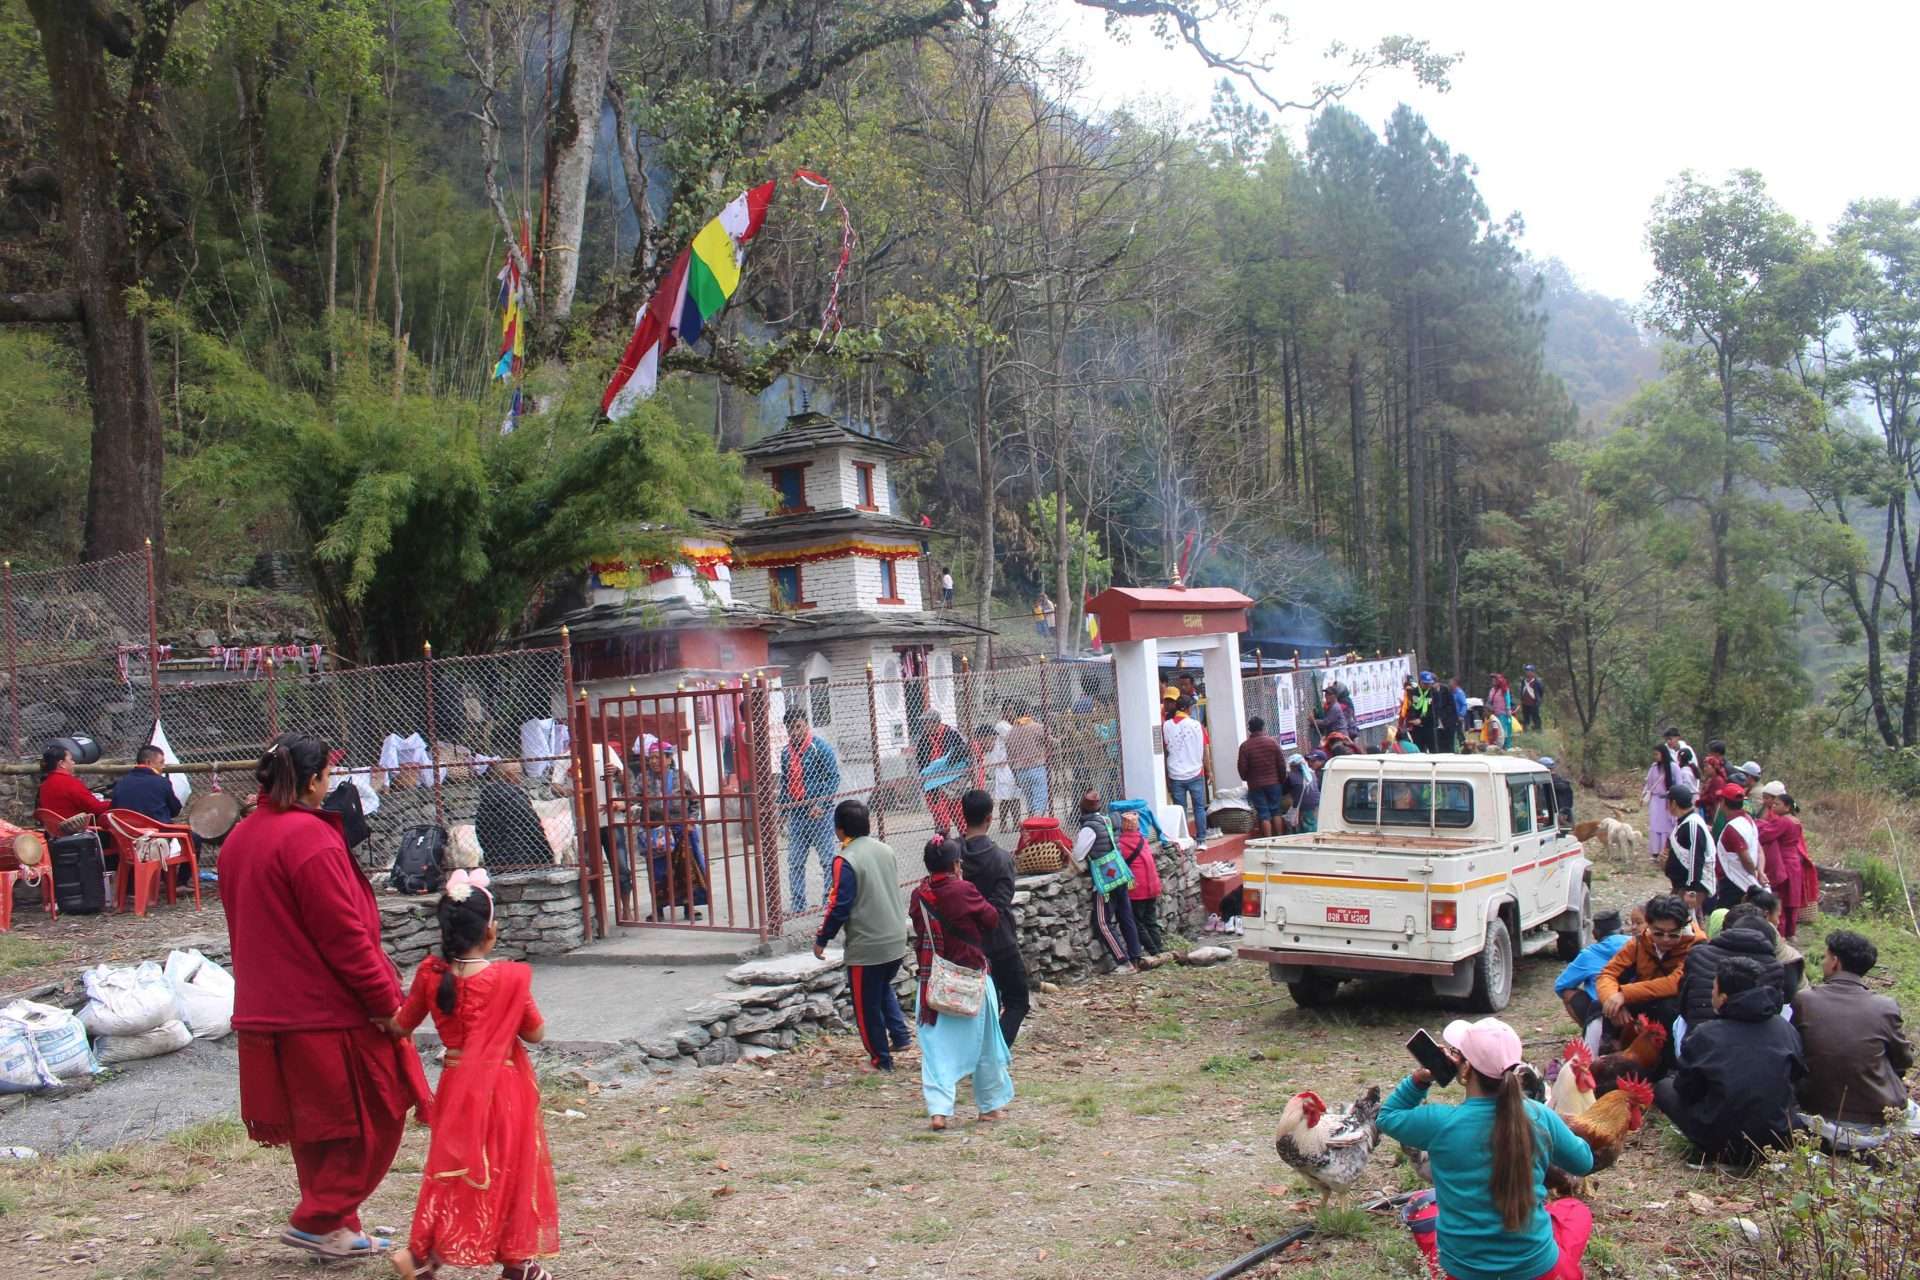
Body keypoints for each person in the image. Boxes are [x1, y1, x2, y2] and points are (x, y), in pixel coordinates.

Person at [222, 734, 431, 1261]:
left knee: (319, 1129)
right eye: (328, 776)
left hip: (268, 1006)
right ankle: (316, 1219)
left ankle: (337, 1229)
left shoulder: (241, 837)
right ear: (314, 780)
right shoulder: (308, 839)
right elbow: (344, 934)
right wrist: (386, 1002)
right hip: (325, 1007)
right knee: (378, 1112)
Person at [390, 869, 558, 1280]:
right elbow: (535, 1034)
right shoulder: (508, 980)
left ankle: (423, 1255)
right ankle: (516, 1262)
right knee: (507, 1166)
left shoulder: (430, 975)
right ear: (490, 931)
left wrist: (383, 1018)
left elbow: (401, 1025)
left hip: (455, 1086)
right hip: (503, 1088)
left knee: (453, 1168)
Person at [1379, 1017, 1595, 1280]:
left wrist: (1421, 1078)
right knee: (1574, 1211)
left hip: (1462, 1271)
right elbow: (1584, 1162)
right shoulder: (1540, 1116)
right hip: (1536, 1269)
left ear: (1466, 1068)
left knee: (1424, 1207)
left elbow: (1387, 1116)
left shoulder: (1441, 1123)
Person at [1654, 956, 1804, 1164]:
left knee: (1664, 1087)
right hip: (1777, 1138)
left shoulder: (1706, 1034)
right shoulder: (1784, 1028)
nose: (1711, 994)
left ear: (1723, 997)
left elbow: (1686, 1088)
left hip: (1720, 1142)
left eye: (1713, 989)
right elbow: (1796, 1077)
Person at [909, 837, 1014, 1131]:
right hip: (971, 980)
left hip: (934, 982)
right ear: (956, 864)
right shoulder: (964, 890)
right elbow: (991, 919)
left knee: (935, 1050)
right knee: (986, 1044)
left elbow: (919, 927)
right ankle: (990, 1106)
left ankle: (939, 1111)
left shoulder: (919, 895)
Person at [813, 799, 912, 1072]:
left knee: (866, 1008)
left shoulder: (845, 859)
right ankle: (901, 1036)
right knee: (881, 987)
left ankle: (881, 1060)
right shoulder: (886, 849)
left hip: (868, 946)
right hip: (896, 938)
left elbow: (839, 905)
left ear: (839, 830)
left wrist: (822, 939)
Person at [1792, 930, 1916, 1140]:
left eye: (1825, 957)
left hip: (1815, 1112)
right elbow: (1903, 1060)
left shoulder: (1804, 1000)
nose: (1823, 962)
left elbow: (1795, 1051)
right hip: (1875, 1119)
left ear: (1835, 962)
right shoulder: (1885, 1007)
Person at [958, 788, 1030, 1048]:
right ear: (990, 817)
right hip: (999, 941)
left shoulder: (952, 854)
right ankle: (997, 1050)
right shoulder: (1001, 858)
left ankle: (984, 1050)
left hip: (963, 942)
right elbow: (1000, 903)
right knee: (1017, 1000)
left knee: (982, 1004)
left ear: (963, 815)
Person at [1674, 903, 1790, 1051]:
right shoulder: (1775, 966)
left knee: (1679, 1022)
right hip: (1753, 1048)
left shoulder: (1698, 954)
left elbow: (1683, 1003)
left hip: (1697, 1044)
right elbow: (1773, 1011)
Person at [1595, 893, 1700, 1046]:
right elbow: (1608, 973)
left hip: (1677, 1008)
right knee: (1600, 1005)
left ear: (1683, 927)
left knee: (1668, 1008)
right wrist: (1612, 999)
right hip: (1643, 999)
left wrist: (1624, 994)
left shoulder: (1696, 946)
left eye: (1673, 935)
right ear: (1648, 926)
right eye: (1658, 933)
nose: (1665, 939)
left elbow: (1675, 982)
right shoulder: (1639, 942)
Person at [1069, 790, 1142, 973]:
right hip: (1120, 873)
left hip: (1105, 879)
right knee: (1126, 916)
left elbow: (1078, 855)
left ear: (1082, 809)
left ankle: (1124, 961)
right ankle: (1136, 956)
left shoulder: (1089, 828)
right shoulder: (1107, 820)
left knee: (1102, 922)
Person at [779, 709, 842, 912]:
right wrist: (782, 811)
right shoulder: (786, 753)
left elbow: (833, 778)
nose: (794, 732)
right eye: (790, 728)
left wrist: (820, 804)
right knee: (795, 861)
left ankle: (828, 902)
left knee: (827, 860)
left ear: (806, 725)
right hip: (796, 814)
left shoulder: (820, 748)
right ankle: (798, 904)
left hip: (819, 814)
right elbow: (785, 782)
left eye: (798, 727)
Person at [1755, 783, 1817, 941]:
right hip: (1794, 862)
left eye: (1777, 804)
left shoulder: (1783, 821)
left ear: (1787, 807)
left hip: (1783, 863)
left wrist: (1758, 825)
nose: (1773, 807)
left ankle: (1781, 932)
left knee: (1780, 897)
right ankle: (1791, 932)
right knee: (1792, 898)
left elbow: (1765, 835)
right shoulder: (1795, 821)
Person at [474, 762, 557, 870]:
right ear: (509, 775)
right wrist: (547, 854)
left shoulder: (485, 801)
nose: (522, 777)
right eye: (519, 773)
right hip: (526, 860)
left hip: (495, 862)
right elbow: (533, 827)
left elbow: (481, 832)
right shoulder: (516, 798)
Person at [1117, 810, 1166, 959]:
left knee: (1137, 922)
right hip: (1152, 885)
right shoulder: (1142, 840)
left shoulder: (1121, 844)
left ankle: (1154, 952)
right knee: (1150, 920)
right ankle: (1160, 949)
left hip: (1137, 888)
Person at [1663, 785, 1717, 917]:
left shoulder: (1692, 825)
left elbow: (1696, 859)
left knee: (1680, 920)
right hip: (1682, 884)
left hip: (1690, 886)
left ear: (1673, 803)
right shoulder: (1684, 822)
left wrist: (1691, 891)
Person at [913, 711, 970, 836]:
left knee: (960, 816)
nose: (924, 725)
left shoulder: (952, 733)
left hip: (953, 781)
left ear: (936, 723)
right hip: (934, 784)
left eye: (926, 722)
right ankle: (944, 843)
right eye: (923, 723)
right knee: (941, 820)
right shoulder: (923, 739)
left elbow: (964, 752)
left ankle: (966, 842)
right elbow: (922, 764)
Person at [1713, 784, 1767, 912]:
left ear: (1723, 802)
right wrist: (1760, 871)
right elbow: (1759, 849)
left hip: (1734, 881)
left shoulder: (1733, 827)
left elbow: (1746, 859)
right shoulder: (1749, 820)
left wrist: (1754, 872)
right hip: (1744, 879)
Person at [1163, 695, 1210, 841]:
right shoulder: (1196, 725)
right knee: (1199, 808)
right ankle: (1201, 839)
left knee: (1180, 809)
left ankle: (1184, 839)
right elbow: (1205, 749)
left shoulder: (1166, 725)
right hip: (1196, 772)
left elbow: (1165, 750)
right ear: (1188, 708)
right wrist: (1209, 770)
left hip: (1175, 774)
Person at [37, 743, 110, 830]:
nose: (73, 762)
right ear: (61, 763)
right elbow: (96, 808)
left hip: (55, 831)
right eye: (71, 759)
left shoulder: (44, 785)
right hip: (77, 831)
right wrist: (114, 803)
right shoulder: (69, 783)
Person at [1237, 716, 1286, 838]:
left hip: (1255, 785)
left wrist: (1247, 778)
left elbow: (1242, 768)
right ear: (1263, 727)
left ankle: (1267, 840)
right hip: (1274, 783)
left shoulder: (1245, 746)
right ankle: (1279, 836)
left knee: (1263, 813)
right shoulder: (1272, 742)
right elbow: (1281, 764)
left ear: (1250, 729)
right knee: (1276, 811)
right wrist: (1281, 779)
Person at [1003, 701, 1050, 820]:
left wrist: (1015, 774)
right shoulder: (1036, 727)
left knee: (1030, 801)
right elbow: (1049, 740)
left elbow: (1010, 757)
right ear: (1029, 711)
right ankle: (1036, 823)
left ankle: (1032, 823)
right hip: (1036, 767)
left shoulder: (1010, 733)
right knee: (1040, 801)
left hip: (1020, 771)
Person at [110, 745, 182, 823]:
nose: (163, 766)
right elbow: (175, 810)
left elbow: (114, 808)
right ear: (148, 762)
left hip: (125, 828)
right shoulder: (162, 782)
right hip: (156, 828)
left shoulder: (121, 783)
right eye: (161, 762)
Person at [1642, 743, 1686, 864]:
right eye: (1654, 754)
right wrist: (1644, 795)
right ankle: (1655, 852)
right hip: (1656, 800)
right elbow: (1648, 783)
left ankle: (1666, 852)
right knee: (1655, 826)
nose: (1655, 757)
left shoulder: (1673, 767)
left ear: (1663, 754)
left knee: (1667, 826)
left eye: (1657, 754)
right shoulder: (1654, 767)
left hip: (1668, 801)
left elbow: (1679, 784)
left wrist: (1674, 798)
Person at [984, 716, 1019, 831]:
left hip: (1013, 770)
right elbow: (996, 761)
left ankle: (1016, 822)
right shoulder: (998, 743)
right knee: (1005, 799)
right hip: (1004, 772)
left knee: (1015, 798)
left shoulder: (1011, 742)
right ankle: (1003, 823)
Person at [1406, 671, 1441, 753]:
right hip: (1417, 728)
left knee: (1433, 750)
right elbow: (1410, 707)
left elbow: (1435, 710)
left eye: (1429, 683)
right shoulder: (1414, 692)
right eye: (1425, 683)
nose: (1427, 685)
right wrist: (1412, 718)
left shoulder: (1434, 693)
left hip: (1430, 726)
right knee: (1419, 750)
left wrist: (1422, 720)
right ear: (1420, 682)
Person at [1285, 752, 1320, 833]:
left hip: (1303, 806)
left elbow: (1284, 791)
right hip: (1316, 803)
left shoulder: (1291, 776)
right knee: (1311, 822)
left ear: (1293, 766)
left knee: (1305, 825)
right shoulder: (1312, 773)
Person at [1538, 757, 1574, 828]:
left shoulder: (1551, 784)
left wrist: (1563, 815)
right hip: (1558, 820)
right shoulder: (1558, 782)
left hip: (1558, 821)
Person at [1487, 674, 1514, 745]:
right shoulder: (1492, 690)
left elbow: (1508, 700)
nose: (1493, 681)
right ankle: (1498, 744)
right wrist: (1488, 707)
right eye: (1492, 680)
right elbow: (1489, 701)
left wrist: (1508, 709)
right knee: (1496, 730)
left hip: (1503, 713)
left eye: (1494, 680)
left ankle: (1507, 745)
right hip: (1495, 713)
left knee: (1504, 729)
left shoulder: (1504, 689)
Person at [1519, 665, 1545, 733]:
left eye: (1529, 671)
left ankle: (1538, 729)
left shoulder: (1537, 682)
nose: (1527, 672)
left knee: (1535, 717)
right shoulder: (1524, 681)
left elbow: (1541, 691)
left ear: (1533, 672)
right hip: (1525, 703)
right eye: (1526, 671)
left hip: (1534, 703)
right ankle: (1526, 730)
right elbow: (1522, 690)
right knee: (1525, 717)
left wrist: (1538, 700)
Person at [1447, 677, 1470, 752]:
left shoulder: (1459, 693)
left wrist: (1461, 715)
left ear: (1455, 684)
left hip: (1459, 717)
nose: (1449, 685)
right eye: (1449, 684)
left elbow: (1464, 705)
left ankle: (1463, 747)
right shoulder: (1450, 692)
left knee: (1460, 733)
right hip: (1451, 717)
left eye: (1451, 684)